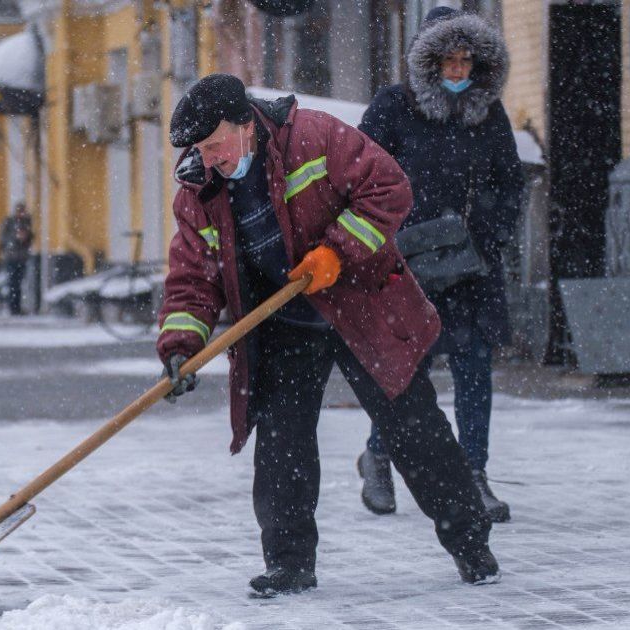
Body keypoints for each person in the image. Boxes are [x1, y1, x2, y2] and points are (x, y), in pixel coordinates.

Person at [157, 73, 499, 597]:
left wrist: (337, 251)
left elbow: (389, 188)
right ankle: (289, 564)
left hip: (358, 302)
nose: (210, 159)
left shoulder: (314, 138)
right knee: (281, 444)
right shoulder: (199, 193)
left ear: (245, 123)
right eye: (199, 150)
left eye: (215, 144)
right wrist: (181, 345)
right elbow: (192, 278)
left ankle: (471, 545)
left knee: (412, 427)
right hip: (283, 321)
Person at [357, 7, 524, 522]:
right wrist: (389, 237)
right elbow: (360, 173)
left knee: (475, 367)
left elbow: (509, 183)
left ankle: (474, 474)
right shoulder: (394, 106)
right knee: (410, 368)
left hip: (471, 265)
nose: (458, 72)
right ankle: (380, 457)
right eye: (448, 62)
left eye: (466, 62)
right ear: (428, 61)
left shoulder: (487, 112)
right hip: (406, 264)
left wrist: (485, 233)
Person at [0, 202, 33, 315]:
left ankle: (17, 307)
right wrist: (16, 238)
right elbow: (4, 239)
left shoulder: (26, 222)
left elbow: (30, 238)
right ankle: (13, 308)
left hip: (22, 257)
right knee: (13, 283)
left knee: (19, 283)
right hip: (12, 258)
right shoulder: (9, 222)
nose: (21, 214)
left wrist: (25, 238)